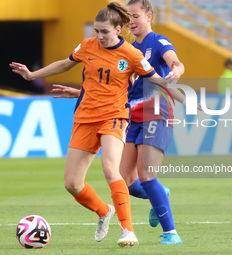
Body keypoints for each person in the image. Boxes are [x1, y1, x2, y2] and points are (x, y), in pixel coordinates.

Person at [10, 1, 169, 247]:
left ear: (118, 29)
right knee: (72, 184)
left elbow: (158, 80)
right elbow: (65, 63)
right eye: (96, 31)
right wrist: (32, 75)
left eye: (104, 31)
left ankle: (128, 231)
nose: (99, 36)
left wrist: (189, 97)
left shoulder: (132, 55)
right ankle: (104, 211)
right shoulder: (87, 46)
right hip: (84, 118)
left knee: (109, 169)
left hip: (114, 116)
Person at [51, 0, 202, 245]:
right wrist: (80, 93)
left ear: (149, 16)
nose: (131, 20)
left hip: (156, 112)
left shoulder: (158, 42)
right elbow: (113, 87)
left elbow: (174, 62)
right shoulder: (127, 49)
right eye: (128, 16)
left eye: (136, 16)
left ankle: (171, 233)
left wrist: (179, 70)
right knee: (125, 180)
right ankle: (159, 196)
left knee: (146, 176)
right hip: (130, 116)